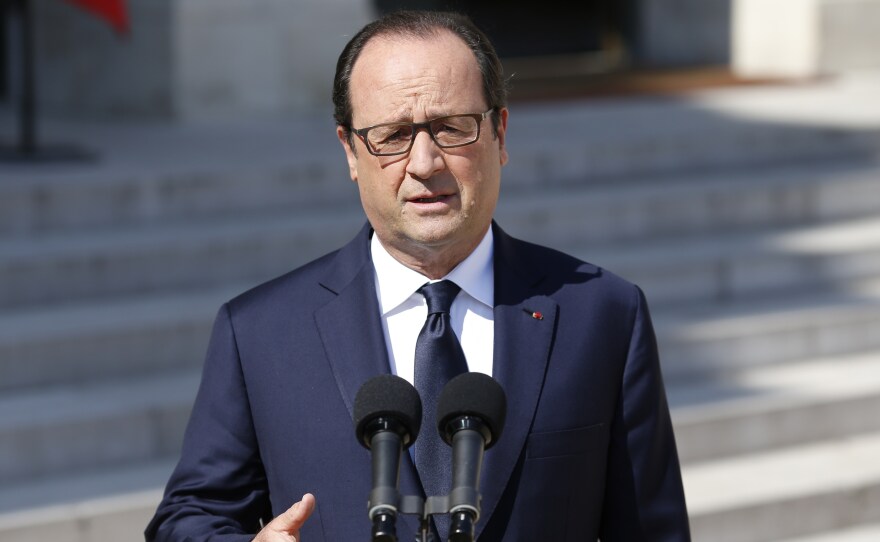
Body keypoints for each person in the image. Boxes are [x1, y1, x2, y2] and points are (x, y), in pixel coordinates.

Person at [145, 10, 690, 542]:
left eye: (453, 128)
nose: (424, 162)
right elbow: (188, 518)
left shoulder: (603, 315)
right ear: (350, 151)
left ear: (500, 133)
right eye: (392, 135)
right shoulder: (261, 332)